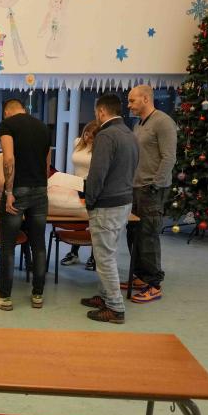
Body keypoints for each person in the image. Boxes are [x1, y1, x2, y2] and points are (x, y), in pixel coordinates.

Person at [0, 99, 51, 311]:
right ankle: (38, 295)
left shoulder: (7, 125)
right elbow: (47, 163)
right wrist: (42, 186)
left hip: (18, 190)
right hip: (40, 189)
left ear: (6, 112)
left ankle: (4, 297)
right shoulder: (42, 127)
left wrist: (10, 191)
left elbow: (8, 159)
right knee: (38, 244)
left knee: (8, 246)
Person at [81, 94, 140, 324]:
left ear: (101, 112)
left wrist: (89, 201)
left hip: (107, 204)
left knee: (104, 257)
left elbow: (97, 175)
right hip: (124, 200)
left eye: (96, 112)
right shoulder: (129, 133)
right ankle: (105, 297)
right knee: (108, 253)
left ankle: (115, 308)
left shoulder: (106, 136)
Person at [127, 84, 177, 303]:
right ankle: (140, 276)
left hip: (151, 190)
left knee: (148, 236)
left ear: (146, 99)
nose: (129, 105)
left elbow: (169, 158)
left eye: (132, 100)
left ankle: (154, 284)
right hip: (136, 188)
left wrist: (155, 184)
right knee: (133, 233)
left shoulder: (163, 122)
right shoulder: (139, 124)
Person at [61, 119, 99, 268]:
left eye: (91, 136)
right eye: (86, 134)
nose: (87, 138)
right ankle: (73, 253)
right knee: (79, 218)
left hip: (92, 185)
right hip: (77, 184)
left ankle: (94, 256)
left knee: (93, 220)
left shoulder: (100, 148)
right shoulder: (77, 142)